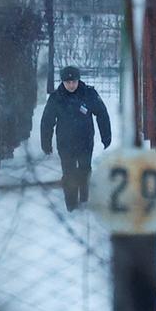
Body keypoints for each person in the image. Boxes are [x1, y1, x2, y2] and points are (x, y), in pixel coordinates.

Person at [39, 66, 112, 211]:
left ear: (79, 80)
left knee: (85, 169)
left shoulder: (88, 94)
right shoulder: (56, 98)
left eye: (74, 82)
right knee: (69, 172)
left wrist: (106, 136)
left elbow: (102, 114)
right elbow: (47, 121)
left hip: (85, 140)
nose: (71, 85)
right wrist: (46, 143)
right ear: (62, 82)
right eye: (68, 82)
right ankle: (71, 203)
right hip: (65, 142)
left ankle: (84, 198)